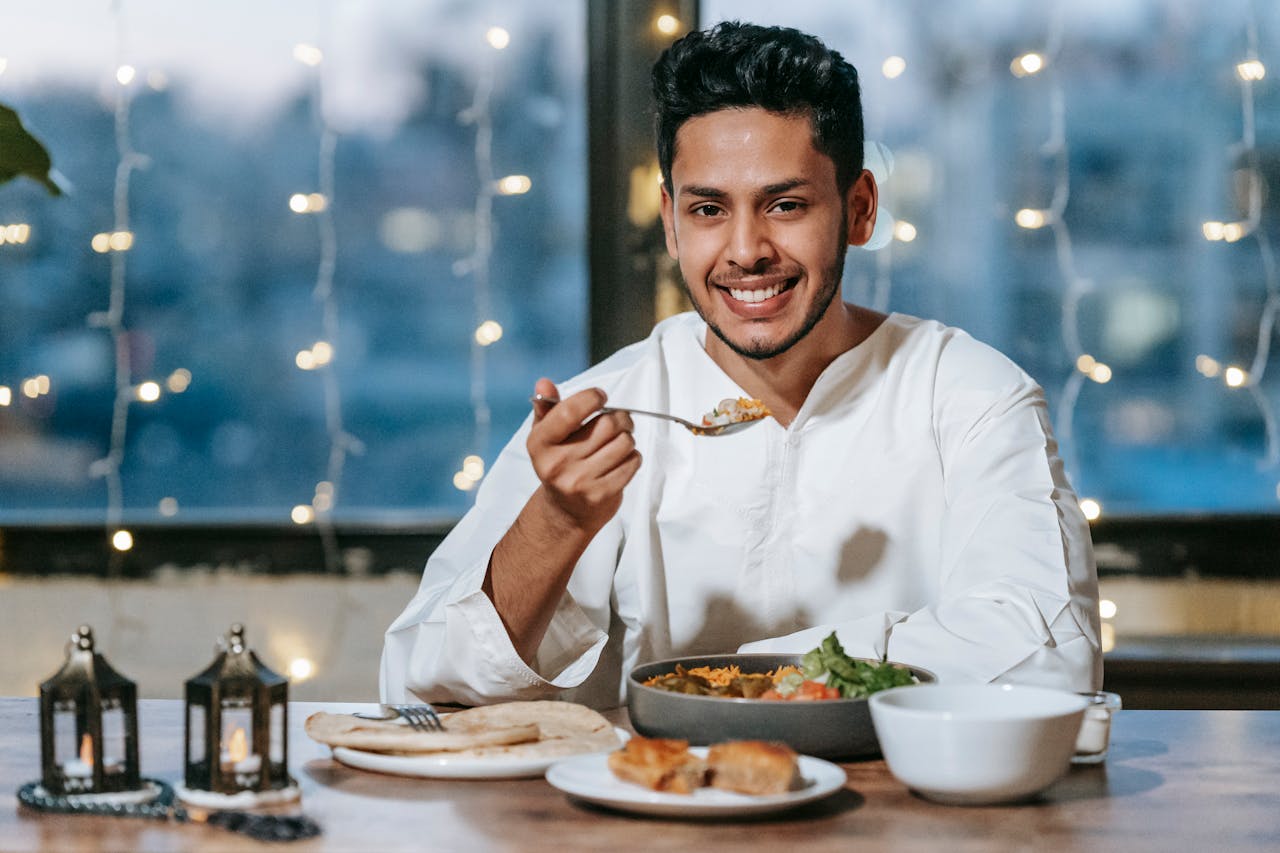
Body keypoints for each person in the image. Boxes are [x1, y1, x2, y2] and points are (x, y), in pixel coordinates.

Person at [381, 21, 1102, 709]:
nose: (746, 248)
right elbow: (416, 682)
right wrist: (559, 521)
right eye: (707, 210)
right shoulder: (602, 414)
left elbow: (1047, 660)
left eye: (785, 204)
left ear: (859, 208)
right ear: (669, 221)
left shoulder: (972, 397)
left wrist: (746, 678)